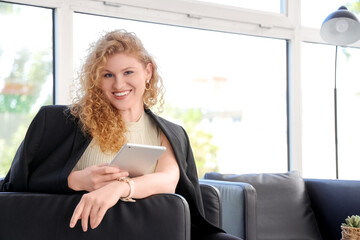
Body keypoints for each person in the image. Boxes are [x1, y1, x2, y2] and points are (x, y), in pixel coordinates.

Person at [0, 29, 242, 240]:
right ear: (96, 80)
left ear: (148, 72)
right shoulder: (59, 122)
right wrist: (77, 180)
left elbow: (168, 180)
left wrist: (118, 188)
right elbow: (14, 184)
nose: (118, 85)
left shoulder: (171, 132)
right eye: (108, 75)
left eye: (128, 72)